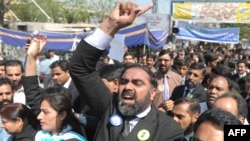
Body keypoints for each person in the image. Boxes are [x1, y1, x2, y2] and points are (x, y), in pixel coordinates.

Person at [69, 2, 184, 141]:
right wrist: (111, 25)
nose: (128, 87)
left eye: (137, 83)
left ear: (153, 92)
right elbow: (79, 67)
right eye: (124, 81)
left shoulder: (168, 129)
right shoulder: (109, 106)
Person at [23, 34, 87, 141]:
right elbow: (31, 91)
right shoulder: (42, 134)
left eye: (46, 112)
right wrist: (31, 57)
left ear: (62, 115)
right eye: (41, 111)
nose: (39, 116)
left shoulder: (72, 138)